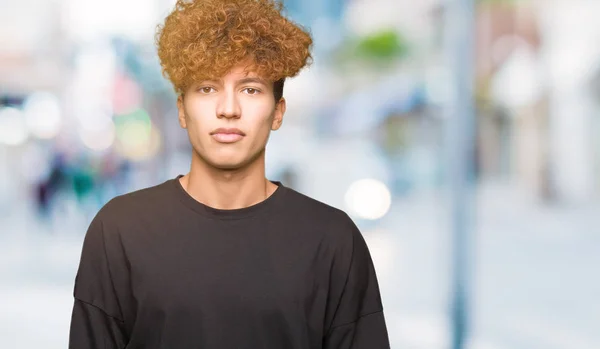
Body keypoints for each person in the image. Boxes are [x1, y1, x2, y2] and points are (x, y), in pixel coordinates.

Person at [68, 0, 391, 348]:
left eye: (250, 89)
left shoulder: (333, 240)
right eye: (207, 88)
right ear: (181, 109)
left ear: (278, 111)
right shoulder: (120, 230)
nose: (228, 109)